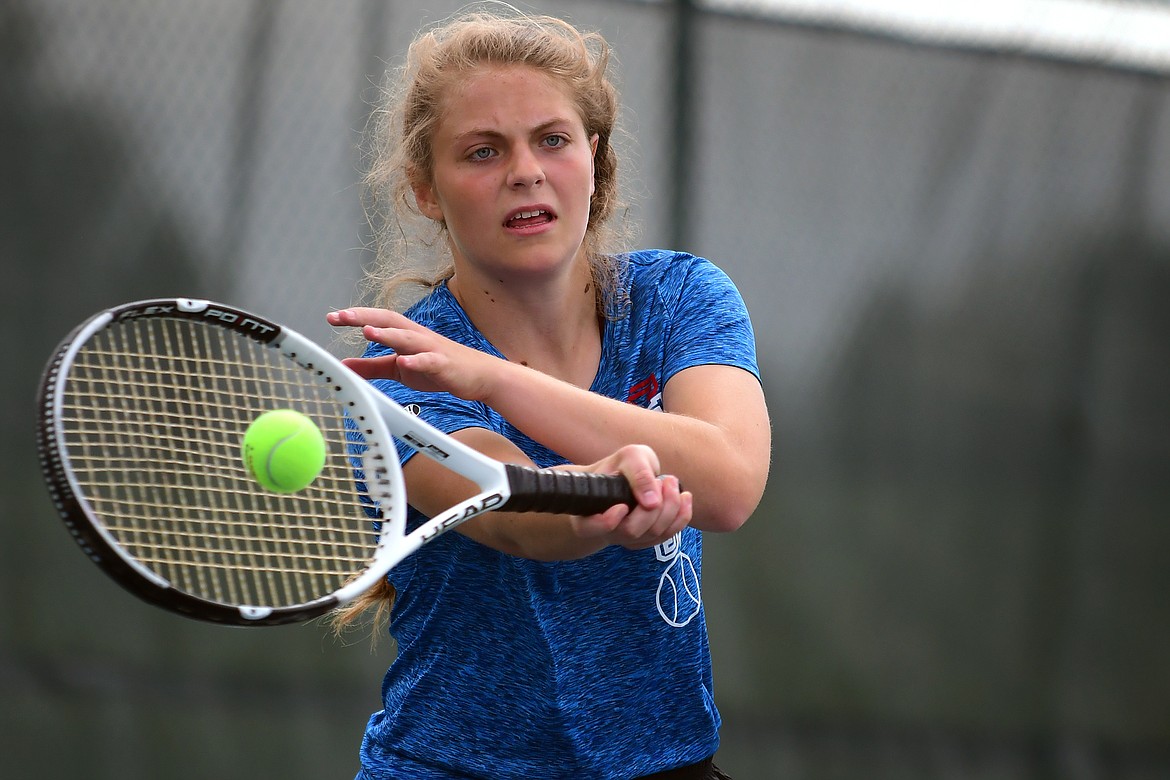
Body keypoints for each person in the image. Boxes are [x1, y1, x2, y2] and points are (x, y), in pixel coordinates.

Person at [326, 7, 771, 779]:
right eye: (482, 151)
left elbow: (728, 482)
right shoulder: (399, 366)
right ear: (426, 191)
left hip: (669, 764)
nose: (525, 170)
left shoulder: (680, 297)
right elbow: (513, 512)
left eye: (553, 140)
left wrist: (497, 379)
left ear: (594, 158)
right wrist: (610, 501)